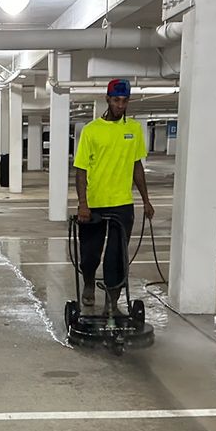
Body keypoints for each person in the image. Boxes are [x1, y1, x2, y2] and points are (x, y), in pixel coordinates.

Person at [72, 78, 155, 313]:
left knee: (116, 258)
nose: (120, 105)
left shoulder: (134, 130)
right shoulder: (91, 131)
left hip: (122, 205)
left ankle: (111, 302)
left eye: (125, 100)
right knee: (90, 254)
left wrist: (146, 200)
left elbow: (137, 166)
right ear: (107, 99)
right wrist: (82, 205)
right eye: (116, 100)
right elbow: (81, 170)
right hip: (95, 204)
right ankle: (89, 283)